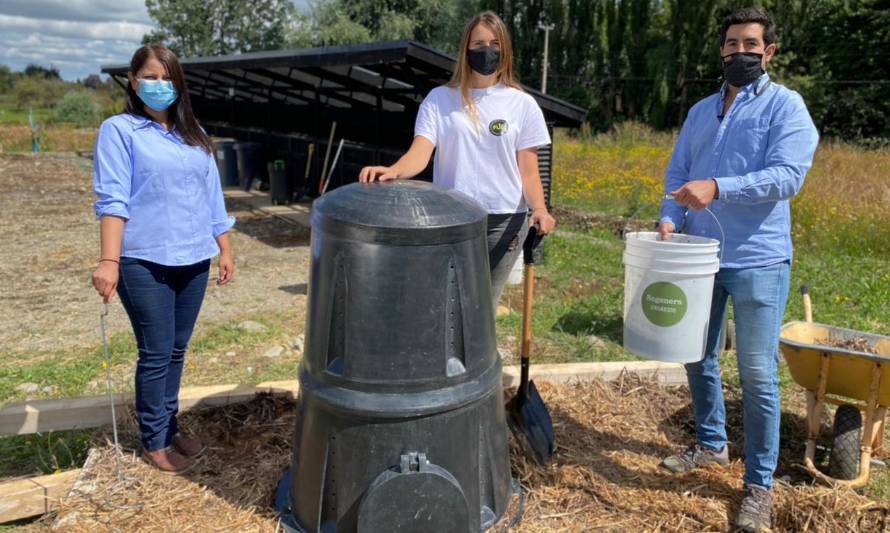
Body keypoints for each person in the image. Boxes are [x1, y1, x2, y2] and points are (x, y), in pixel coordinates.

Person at [657, 7, 818, 532]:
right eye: (731, 44)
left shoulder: (786, 107)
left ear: (768, 52)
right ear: (721, 50)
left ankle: (759, 485)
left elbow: (788, 176)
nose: (740, 52)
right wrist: (669, 216)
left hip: (758, 259)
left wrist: (720, 187)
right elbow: (681, 170)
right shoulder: (702, 110)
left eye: (751, 44)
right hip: (699, 257)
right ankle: (711, 445)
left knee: (757, 374)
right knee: (696, 355)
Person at [91, 44, 235, 474]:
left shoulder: (194, 135)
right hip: (144, 260)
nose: (159, 85)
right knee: (155, 353)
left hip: (193, 259)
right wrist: (109, 261)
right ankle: (154, 440)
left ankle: (169, 427)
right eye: (149, 77)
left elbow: (213, 196)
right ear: (134, 81)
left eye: (166, 77)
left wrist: (224, 246)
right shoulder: (120, 131)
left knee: (176, 350)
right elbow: (112, 199)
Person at [358, 11, 556, 308]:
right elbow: (420, 153)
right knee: (445, 303)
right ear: (466, 50)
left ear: (505, 50)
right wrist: (394, 171)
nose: (486, 51)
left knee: (483, 308)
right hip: (450, 219)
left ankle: (478, 356)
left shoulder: (522, 105)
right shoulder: (440, 100)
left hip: (504, 223)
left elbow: (528, 172)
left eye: (494, 44)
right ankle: (445, 356)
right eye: (478, 44)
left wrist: (539, 208)